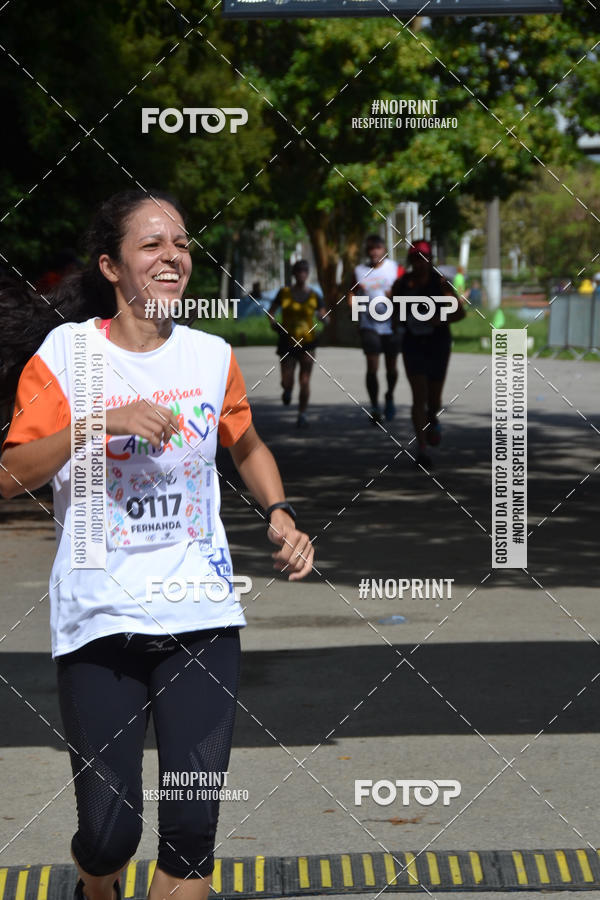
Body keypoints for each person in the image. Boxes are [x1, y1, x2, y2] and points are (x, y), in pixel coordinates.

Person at [0, 190, 314, 900]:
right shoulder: (65, 357)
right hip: (99, 619)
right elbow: (9, 476)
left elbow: (247, 442)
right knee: (111, 835)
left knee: (192, 834)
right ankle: (94, 884)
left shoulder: (210, 356)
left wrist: (281, 513)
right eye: (152, 245)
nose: (173, 255)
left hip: (201, 615)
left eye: (180, 242)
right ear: (112, 266)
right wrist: (97, 422)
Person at [390, 240, 466, 469]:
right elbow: (394, 312)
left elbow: (459, 313)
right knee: (418, 398)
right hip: (413, 343)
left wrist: (439, 319)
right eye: (416, 258)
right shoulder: (402, 284)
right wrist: (398, 324)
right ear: (411, 261)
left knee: (433, 400)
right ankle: (421, 449)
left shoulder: (440, 283)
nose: (420, 263)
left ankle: (433, 419)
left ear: (431, 260)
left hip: (438, 343)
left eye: (425, 258)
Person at [348, 235, 402, 425]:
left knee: (391, 368)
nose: (374, 252)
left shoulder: (394, 268)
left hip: (392, 325)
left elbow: (404, 292)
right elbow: (352, 293)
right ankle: (374, 406)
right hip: (369, 325)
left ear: (384, 250)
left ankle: (389, 396)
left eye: (378, 248)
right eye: (371, 248)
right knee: (372, 367)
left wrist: (394, 297)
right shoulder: (360, 271)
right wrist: (355, 315)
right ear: (367, 251)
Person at [269, 259, 326, 428]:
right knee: (288, 379)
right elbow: (271, 312)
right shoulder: (284, 293)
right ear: (294, 274)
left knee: (305, 380)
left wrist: (325, 319)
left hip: (308, 342)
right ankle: (287, 389)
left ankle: (302, 414)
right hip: (287, 340)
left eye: (304, 271)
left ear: (307, 274)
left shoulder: (315, 296)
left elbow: (322, 314)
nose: (302, 274)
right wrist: (273, 324)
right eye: (298, 271)